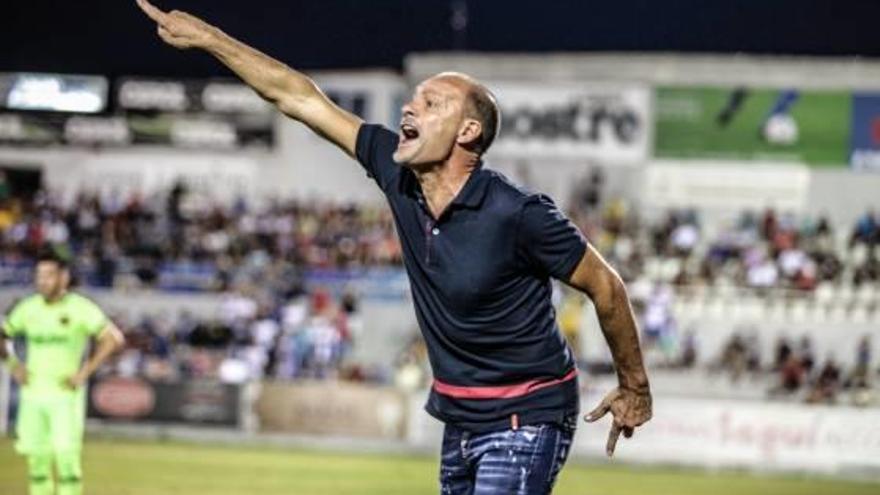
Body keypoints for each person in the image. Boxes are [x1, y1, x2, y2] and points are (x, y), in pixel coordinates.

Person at [135, 2, 652, 493]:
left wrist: (635, 387)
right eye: (414, 98)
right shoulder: (397, 173)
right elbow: (299, 98)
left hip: (530, 413)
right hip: (461, 417)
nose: (411, 106)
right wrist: (209, 39)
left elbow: (606, 287)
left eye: (431, 103)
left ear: (467, 131)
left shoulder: (518, 213)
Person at [0, 250, 125, 495]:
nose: (42, 281)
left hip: (65, 397)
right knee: (37, 461)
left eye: (48, 275)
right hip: (33, 396)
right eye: (39, 276)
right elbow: (2, 336)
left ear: (63, 277)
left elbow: (113, 339)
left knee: (67, 461)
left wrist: (84, 372)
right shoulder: (28, 308)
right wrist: (14, 366)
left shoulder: (80, 308)